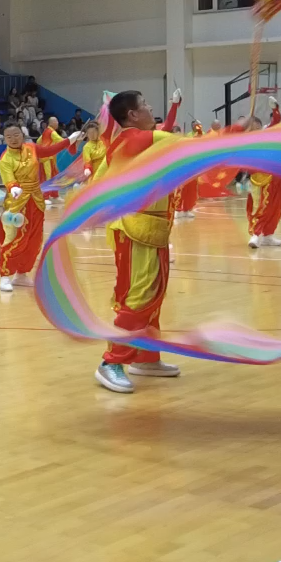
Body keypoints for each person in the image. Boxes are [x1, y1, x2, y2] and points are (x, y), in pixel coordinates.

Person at [94, 89, 184, 395]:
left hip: (151, 227)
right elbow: (185, 145)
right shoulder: (134, 139)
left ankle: (145, 357)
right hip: (136, 229)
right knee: (140, 295)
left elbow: (98, 181)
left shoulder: (133, 143)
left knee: (153, 293)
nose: (150, 108)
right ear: (132, 115)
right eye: (145, 104)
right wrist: (237, 133)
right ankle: (111, 362)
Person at [0, 122, 78, 292]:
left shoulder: (32, 148)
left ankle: (21, 274)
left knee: (34, 240)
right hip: (17, 203)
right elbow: (8, 178)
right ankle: (5, 275)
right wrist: (13, 187)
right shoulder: (5, 159)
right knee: (15, 239)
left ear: (22, 135)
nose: (13, 139)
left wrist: (69, 140)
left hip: (36, 199)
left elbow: (50, 150)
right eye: (9, 136)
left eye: (16, 135)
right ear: (4, 139)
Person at [242, 113, 281, 249]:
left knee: (275, 209)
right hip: (258, 181)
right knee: (260, 207)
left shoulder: (267, 136)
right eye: (251, 127)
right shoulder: (246, 142)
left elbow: (276, 121)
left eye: (256, 126)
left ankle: (268, 236)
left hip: (274, 177)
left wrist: (275, 110)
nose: (254, 129)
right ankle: (256, 234)